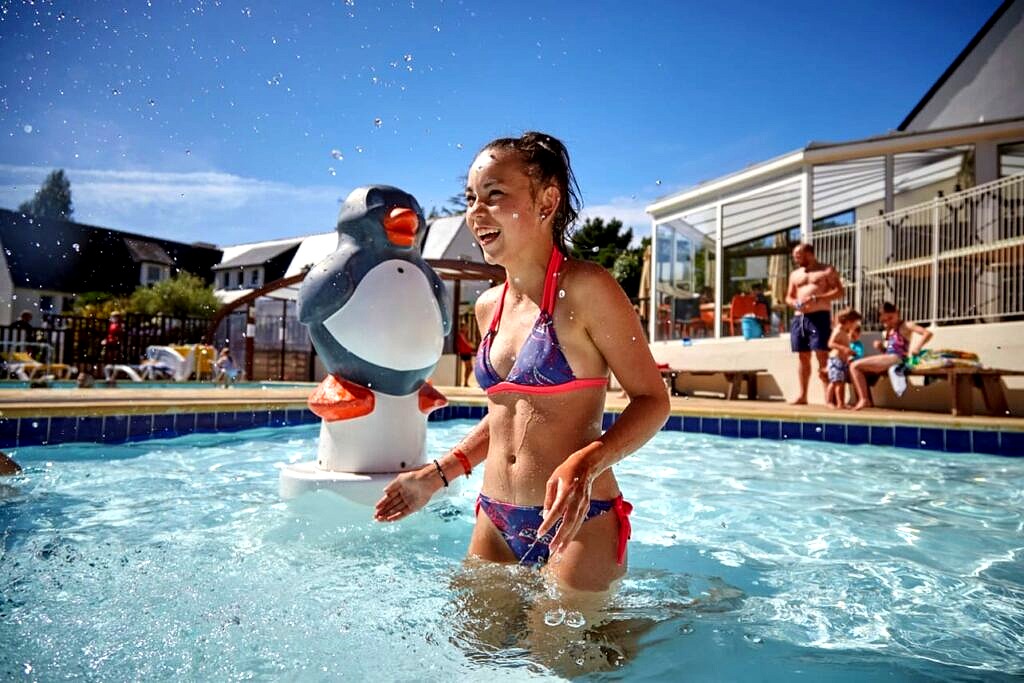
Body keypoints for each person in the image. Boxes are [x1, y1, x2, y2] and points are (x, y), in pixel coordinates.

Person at [373, 131, 670, 592]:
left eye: (494, 196)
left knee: (561, 663)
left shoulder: (587, 289)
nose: (476, 212)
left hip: (577, 520)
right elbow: (508, 414)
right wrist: (436, 476)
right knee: (473, 655)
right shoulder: (489, 306)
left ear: (546, 201)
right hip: (495, 517)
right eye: (471, 198)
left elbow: (653, 400)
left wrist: (587, 464)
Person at [785, 243, 844, 405]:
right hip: (800, 318)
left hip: (819, 316)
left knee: (822, 354)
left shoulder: (827, 270)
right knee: (803, 356)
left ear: (810, 254)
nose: (796, 259)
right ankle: (803, 396)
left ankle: (828, 397)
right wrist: (796, 303)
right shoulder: (795, 274)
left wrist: (819, 298)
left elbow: (840, 291)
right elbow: (788, 297)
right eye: (795, 256)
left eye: (799, 256)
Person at [850, 302, 933, 410]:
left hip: (898, 358)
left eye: (890, 318)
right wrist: (881, 348)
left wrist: (917, 347)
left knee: (855, 366)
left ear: (897, 313)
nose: (888, 322)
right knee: (855, 367)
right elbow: (889, 351)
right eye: (884, 320)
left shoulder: (906, 325)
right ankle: (866, 400)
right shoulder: (889, 330)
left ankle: (864, 399)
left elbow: (927, 333)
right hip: (890, 358)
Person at [825, 308, 862, 409]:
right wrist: (844, 349)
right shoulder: (838, 330)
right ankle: (831, 402)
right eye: (855, 323)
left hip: (842, 360)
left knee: (840, 382)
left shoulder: (845, 331)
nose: (855, 325)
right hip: (835, 360)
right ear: (849, 321)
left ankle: (841, 403)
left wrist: (850, 352)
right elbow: (830, 343)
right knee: (836, 383)